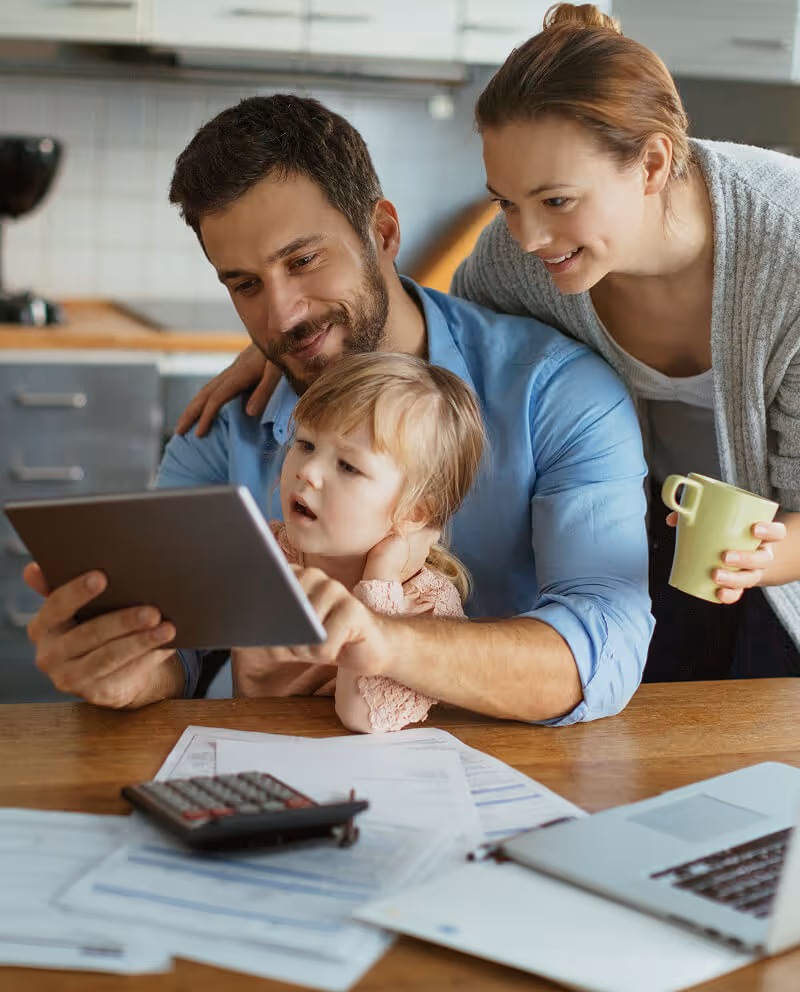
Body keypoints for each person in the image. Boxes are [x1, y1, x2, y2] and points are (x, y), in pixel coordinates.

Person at [185, 6, 800, 683]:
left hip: (770, 546)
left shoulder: (787, 257)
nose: (529, 235)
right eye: (506, 202)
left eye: (556, 201)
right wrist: (294, 340)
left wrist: (765, 555)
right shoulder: (521, 260)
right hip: (663, 530)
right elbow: (449, 345)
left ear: (651, 163)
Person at [23, 93, 653, 724]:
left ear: (381, 232)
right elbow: (178, 646)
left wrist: (384, 643)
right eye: (244, 284)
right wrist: (125, 668)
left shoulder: (558, 393)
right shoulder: (222, 427)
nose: (281, 316)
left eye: (303, 261)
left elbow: (605, 647)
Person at [263, 351, 481, 733]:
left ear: (415, 512)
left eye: (348, 466)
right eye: (306, 444)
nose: (308, 471)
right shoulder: (269, 552)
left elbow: (360, 715)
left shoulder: (426, 605)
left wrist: (379, 580)